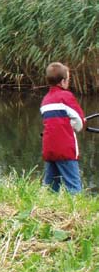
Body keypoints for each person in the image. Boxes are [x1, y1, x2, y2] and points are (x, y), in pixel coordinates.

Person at [40, 62, 85, 194]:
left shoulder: (45, 100)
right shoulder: (66, 96)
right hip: (66, 150)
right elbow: (79, 122)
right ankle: (77, 212)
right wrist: (77, 124)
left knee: (50, 186)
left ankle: (46, 210)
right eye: (68, 79)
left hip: (49, 149)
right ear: (63, 81)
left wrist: (68, 123)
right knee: (73, 186)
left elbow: (55, 121)